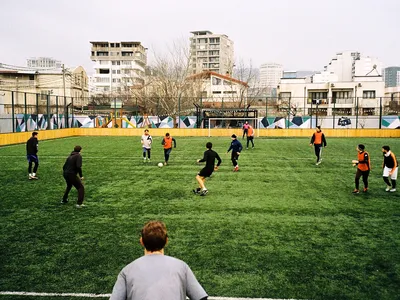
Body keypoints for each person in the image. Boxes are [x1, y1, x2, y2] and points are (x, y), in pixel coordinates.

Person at [110, 220, 208, 300]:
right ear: (166, 241)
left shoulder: (127, 271)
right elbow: (200, 298)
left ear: (141, 241)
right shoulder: (181, 267)